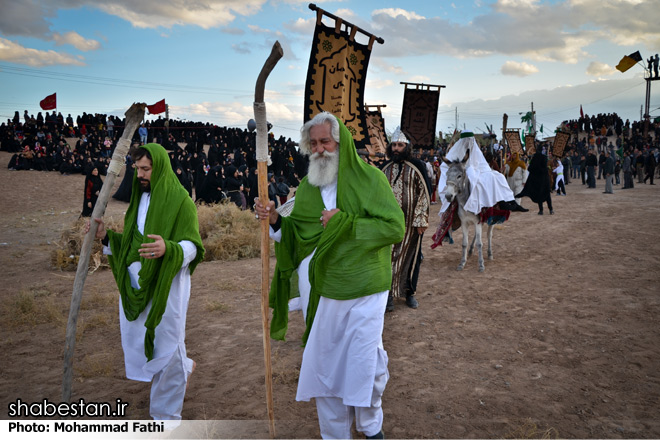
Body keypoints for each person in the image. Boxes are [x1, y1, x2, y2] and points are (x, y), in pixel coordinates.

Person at [255, 112, 405, 439]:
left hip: (365, 289)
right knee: (325, 366)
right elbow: (300, 233)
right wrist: (276, 221)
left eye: (326, 142)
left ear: (341, 143)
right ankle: (335, 435)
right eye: (314, 144)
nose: (320, 149)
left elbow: (394, 228)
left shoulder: (371, 180)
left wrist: (345, 223)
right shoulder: (308, 189)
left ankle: (370, 427)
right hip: (322, 292)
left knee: (365, 364)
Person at [87, 143, 204, 424]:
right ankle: (184, 368)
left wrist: (170, 248)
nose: (140, 175)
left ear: (159, 168)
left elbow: (193, 246)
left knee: (168, 344)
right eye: (137, 168)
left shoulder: (181, 202)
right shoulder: (139, 200)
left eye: (146, 169)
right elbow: (131, 243)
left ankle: (166, 418)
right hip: (137, 286)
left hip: (167, 287)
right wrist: (106, 238)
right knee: (157, 344)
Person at [381, 127, 430, 311]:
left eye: (400, 145)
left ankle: (410, 293)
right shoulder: (384, 168)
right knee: (388, 258)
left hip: (412, 224)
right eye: (393, 144)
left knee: (412, 257)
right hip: (390, 224)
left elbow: (424, 194)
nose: (396, 148)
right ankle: (389, 295)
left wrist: (420, 221)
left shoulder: (417, 167)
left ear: (406, 147)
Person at [516, 150, 554, 215]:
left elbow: (530, 169)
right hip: (544, 182)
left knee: (540, 196)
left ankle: (542, 210)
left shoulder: (535, 162)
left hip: (538, 183)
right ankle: (550, 209)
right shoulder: (543, 162)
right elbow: (545, 171)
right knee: (547, 196)